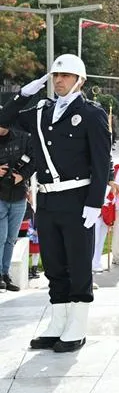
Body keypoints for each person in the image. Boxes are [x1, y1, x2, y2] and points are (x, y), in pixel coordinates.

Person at [0, 54, 111, 353]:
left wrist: (95, 203)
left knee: (77, 264)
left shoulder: (91, 114)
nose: (58, 80)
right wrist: (24, 92)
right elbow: (3, 120)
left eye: (65, 76)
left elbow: (102, 162)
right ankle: (58, 322)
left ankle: (77, 325)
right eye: (55, 76)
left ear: (80, 80)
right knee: (54, 265)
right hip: (47, 199)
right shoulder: (41, 112)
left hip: (77, 199)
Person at [0, 124, 35, 291]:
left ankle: (5, 274)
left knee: (11, 239)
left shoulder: (23, 137)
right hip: (0, 196)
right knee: (1, 237)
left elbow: (34, 160)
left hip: (18, 195)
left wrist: (22, 176)